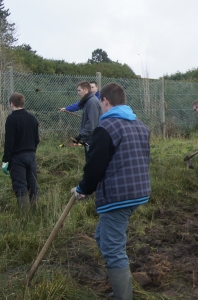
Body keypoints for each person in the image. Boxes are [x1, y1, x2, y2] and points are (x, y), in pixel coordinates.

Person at [71, 82, 151, 300]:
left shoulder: (105, 128)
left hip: (119, 196)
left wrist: (83, 189)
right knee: (103, 237)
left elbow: (95, 166)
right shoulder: (141, 126)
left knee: (113, 249)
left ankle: (122, 296)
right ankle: (120, 282)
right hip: (140, 191)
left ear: (104, 101)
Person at [1, 93, 40, 209]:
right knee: (32, 183)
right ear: (23, 103)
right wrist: (32, 151)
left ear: (11, 104)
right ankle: (36, 208)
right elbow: (37, 139)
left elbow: (9, 142)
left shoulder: (12, 119)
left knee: (20, 184)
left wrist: (6, 160)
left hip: (17, 157)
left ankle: (24, 213)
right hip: (31, 155)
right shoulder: (32, 118)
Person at [68, 81, 101, 160]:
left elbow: (92, 123)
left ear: (85, 90)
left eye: (79, 90)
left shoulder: (92, 102)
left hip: (92, 139)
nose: (78, 93)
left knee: (91, 163)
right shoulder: (88, 101)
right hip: (89, 138)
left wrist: (81, 136)